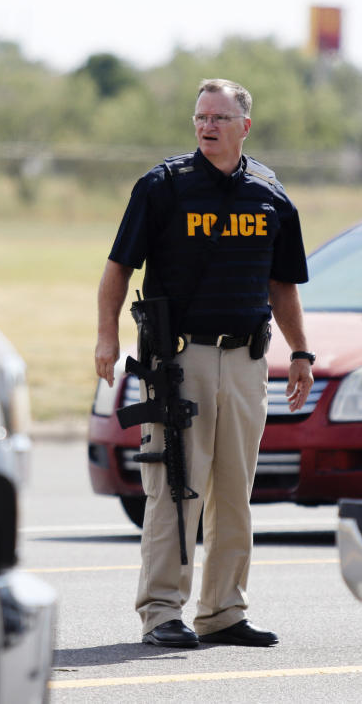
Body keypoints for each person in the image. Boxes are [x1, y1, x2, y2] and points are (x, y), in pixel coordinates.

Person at [94, 78, 314, 649]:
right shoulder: (164, 187)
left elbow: (281, 283)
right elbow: (118, 268)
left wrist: (301, 352)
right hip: (179, 359)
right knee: (173, 485)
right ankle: (162, 611)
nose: (207, 126)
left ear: (245, 125)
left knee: (234, 490)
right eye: (200, 117)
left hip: (246, 359)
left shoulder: (269, 194)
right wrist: (105, 339)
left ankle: (223, 612)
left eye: (219, 117)